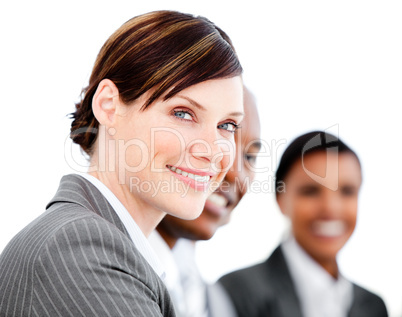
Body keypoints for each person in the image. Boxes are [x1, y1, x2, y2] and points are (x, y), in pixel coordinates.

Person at [0, 10, 244, 317]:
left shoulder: (112, 247)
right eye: (182, 113)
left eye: (228, 126)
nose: (212, 150)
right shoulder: (80, 247)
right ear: (109, 106)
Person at [219, 131, 388, 317]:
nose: (331, 208)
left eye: (347, 191)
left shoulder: (373, 306)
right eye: (311, 191)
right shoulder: (236, 293)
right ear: (281, 199)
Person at [149, 86, 261, 317]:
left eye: (249, 157)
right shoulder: (94, 262)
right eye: (184, 116)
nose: (235, 173)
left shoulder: (219, 302)